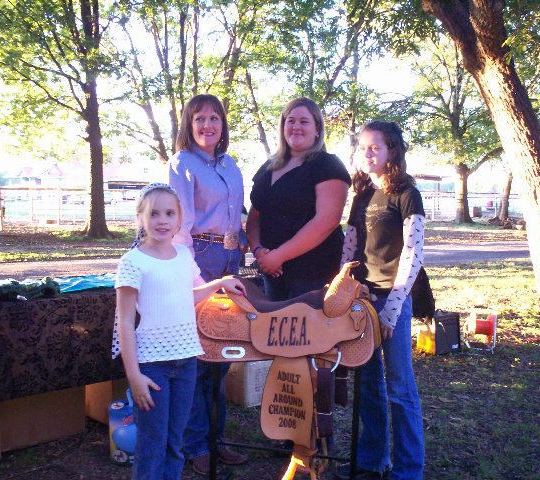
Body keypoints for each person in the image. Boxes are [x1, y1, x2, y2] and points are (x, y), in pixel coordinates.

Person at [113, 183, 245, 480]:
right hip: (152, 368)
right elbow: (124, 321)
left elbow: (191, 296)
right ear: (141, 218)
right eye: (154, 213)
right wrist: (134, 376)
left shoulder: (184, 255)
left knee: (175, 445)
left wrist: (220, 283)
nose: (162, 220)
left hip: (186, 362)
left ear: (179, 219)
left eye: (169, 213)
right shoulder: (132, 262)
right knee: (153, 446)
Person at [336, 121, 426, 480]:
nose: (367, 152)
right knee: (369, 384)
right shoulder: (361, 196)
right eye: (362, 147)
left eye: (375, 146)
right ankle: (373, 461)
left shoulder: (407, 194)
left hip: (394, 304)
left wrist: (392, 310)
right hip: (362, 302)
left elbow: (412, 254)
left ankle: (408, 469)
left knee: (400, 388)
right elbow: (350, 248)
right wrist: (343, 289)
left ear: (392, 151)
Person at [168, 94, 247, 475]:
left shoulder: (231, 165)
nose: (207, 125)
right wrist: (197, 278)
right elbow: (180, 225)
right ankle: (196, 445)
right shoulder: (182, 163)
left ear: (223, 124)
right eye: (199, 118)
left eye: (214, 118)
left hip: (232, 258)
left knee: (222, 355)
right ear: (189, 124)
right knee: (198, 357)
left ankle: (216, 440)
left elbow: (237, 214)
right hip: (201, 258)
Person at [246, 97, 350, 300]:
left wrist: (279, 256)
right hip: (272, 274)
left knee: (307, 332)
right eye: (290, 121)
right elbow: (255, 215)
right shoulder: (268, 167)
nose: (296, 127)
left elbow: (327, 221)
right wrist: (259, 251)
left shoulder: (327, 164)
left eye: (304, 121)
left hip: (313, 274)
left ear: (317, 128)